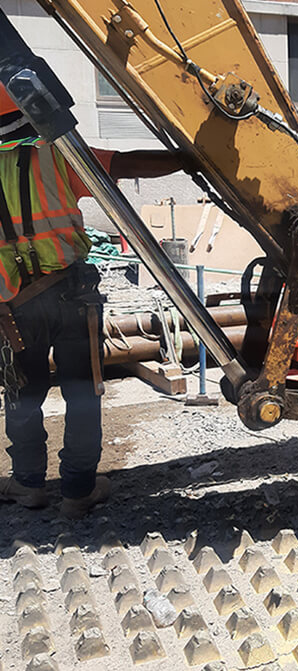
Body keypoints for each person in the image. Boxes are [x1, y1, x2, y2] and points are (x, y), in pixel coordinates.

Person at [0, 86, 181, 518]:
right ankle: (78, 490)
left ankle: (28, 485)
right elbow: (124, 163)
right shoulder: (60, 156)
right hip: (73, 294)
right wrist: (189, 160)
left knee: (23, 395)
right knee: (83, 391)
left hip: (13, 304)